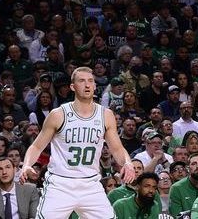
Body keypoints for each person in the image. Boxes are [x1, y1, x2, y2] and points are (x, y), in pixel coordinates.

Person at [19, 67, 136, 219]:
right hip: (60, 184)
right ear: (72, 87)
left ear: (95, 85)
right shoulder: (58, 114)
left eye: (90, 81)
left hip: (91, 184)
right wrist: (27, 164)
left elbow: (117, 148)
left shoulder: (106, 115)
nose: (87, 85)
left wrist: (127, 162)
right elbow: (36, 146)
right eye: (81, 81)